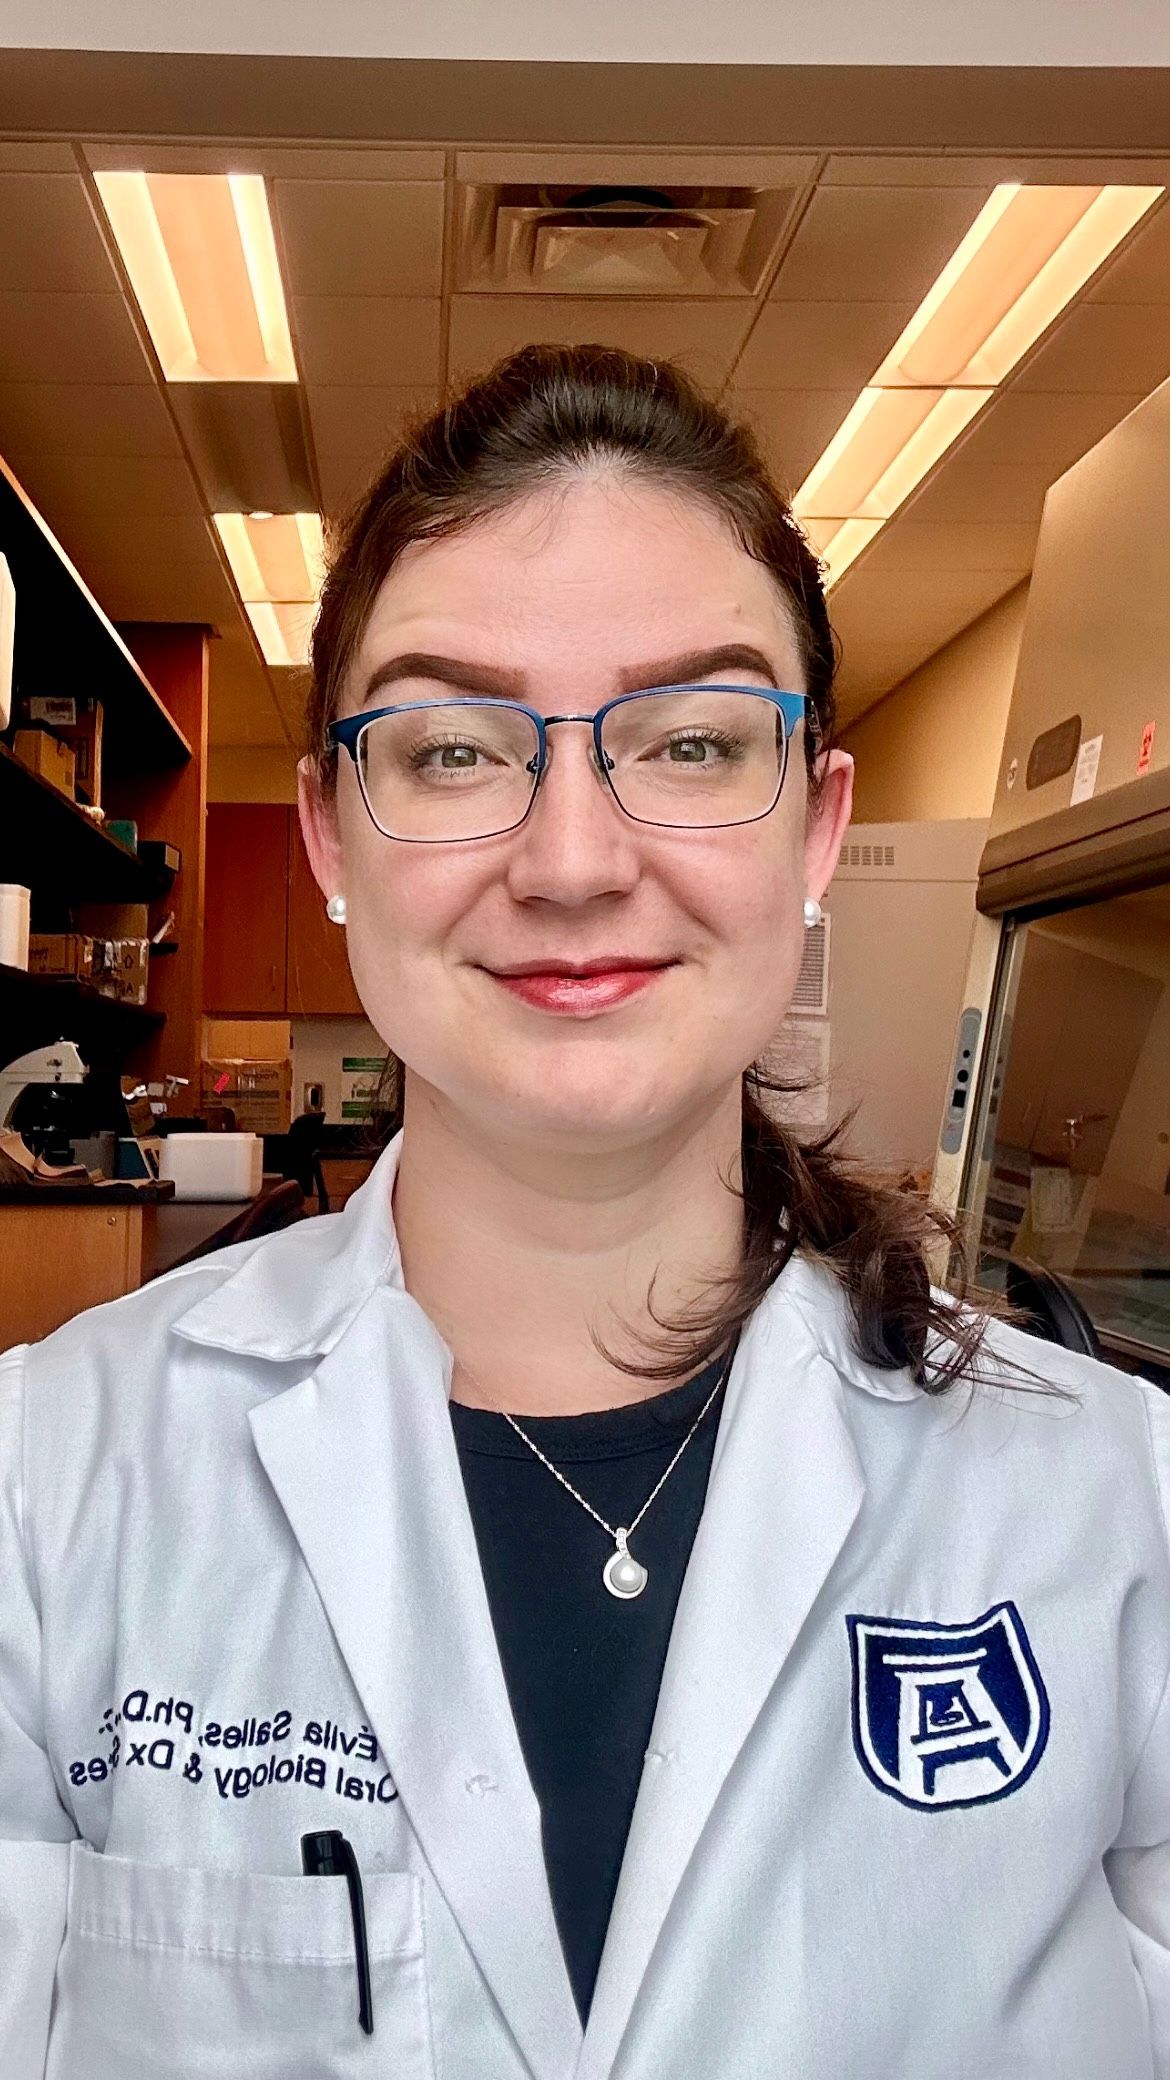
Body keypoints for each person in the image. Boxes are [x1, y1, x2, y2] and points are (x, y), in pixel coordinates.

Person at [2, 345, 1167, 2080]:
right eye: (450, 749)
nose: (568, 861)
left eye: (691, 742)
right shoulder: (43, 1484)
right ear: (329, 835)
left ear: (813, 827)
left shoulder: (1116, 1502)